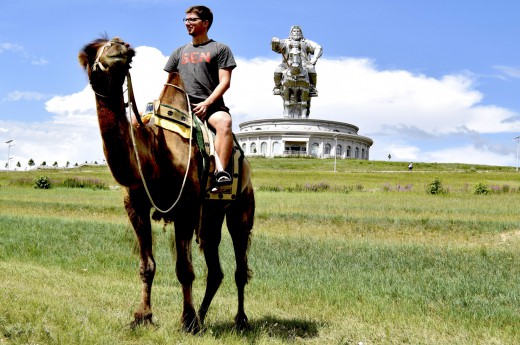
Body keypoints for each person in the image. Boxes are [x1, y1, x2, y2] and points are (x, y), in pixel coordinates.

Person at [164, 5, 236, 186]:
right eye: (186, 20)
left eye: (192, 20)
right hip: (181, 107)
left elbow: (225, 82)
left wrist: (206, 103)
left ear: (205, 23)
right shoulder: (178, 52)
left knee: (224, 123)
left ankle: (220, 173)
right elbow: (169, 84)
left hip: (211, 106)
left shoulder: (220, 49)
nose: (187, 23)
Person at [271, 25, 323, 96]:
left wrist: (315, 58)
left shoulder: (306, 42)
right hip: (287, 63)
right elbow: (275, 47)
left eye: (298, 31)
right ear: (291, 33)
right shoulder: (285, 42)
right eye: (294, 31)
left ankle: (313, 88)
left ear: (301, 33)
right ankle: (277, 86)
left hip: (304, 64)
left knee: (311, 69)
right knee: (278, 69)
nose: (296, 33)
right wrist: (274, 42)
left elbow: (318, 47)